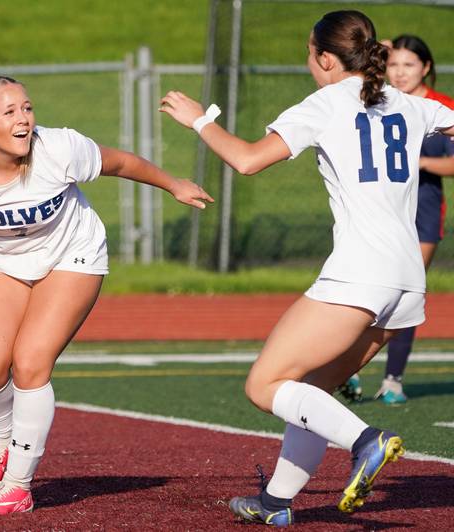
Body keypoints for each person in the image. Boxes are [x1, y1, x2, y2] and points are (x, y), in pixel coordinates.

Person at [160, 10, 454, 527]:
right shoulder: (410, 104)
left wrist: (199, 121)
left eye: (308, 53)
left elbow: (248, 160)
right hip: (407, 280)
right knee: (310, 394)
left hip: (359, 273)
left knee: (264, 385)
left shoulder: (326, 103)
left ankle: (368, 442)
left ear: (323, 57)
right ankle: (275, 502)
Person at [0, 76, 213, 515]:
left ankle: (18, 486)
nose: (23, 119)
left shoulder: (60, 148)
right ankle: (2, 436)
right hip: (4, 262)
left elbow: (122, 164)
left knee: (31, 360)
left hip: (72, 256)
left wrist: (173, 184)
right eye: (10, 112)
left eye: (27, 108)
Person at [340, 35, 454, 406]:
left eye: (408, 65)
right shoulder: (381, 101)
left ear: (426, 67)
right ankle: (346, 367)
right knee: (365, 288)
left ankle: (393, 379)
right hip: (379, 208)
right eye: (393, 64)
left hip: (422, 207)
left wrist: (418, 163)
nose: (400, 72)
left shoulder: (441, 107)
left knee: (405, 292)